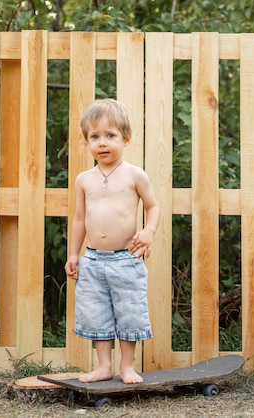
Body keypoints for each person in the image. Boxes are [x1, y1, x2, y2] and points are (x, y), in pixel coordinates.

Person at [65, 98, 160, 384]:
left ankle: (127, 366)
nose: (102, 143)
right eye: (95, 137)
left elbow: (153, 207)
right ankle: (104, 366)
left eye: (110, 136)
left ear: (126, 138)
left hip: (126, 258)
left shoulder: (135, 175)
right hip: (93, 260)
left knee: (129, 311)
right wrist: (73, 255)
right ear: (87, 141)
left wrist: (148, 231)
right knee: (96, 313)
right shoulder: (84, 179)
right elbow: (80, 219)